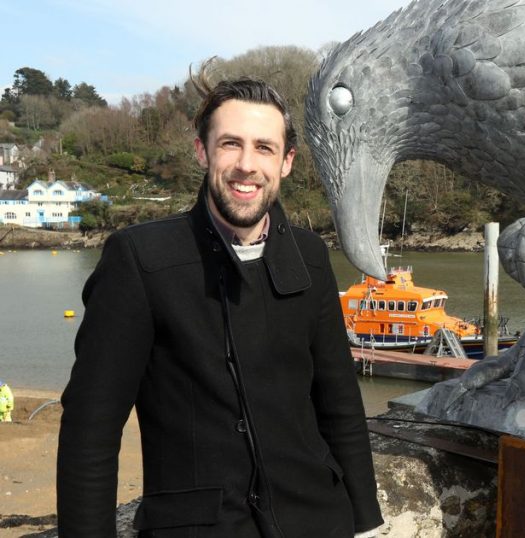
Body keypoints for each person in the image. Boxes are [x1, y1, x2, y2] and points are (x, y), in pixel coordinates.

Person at [57, 71, 384, 537]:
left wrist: (366, 522)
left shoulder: (310, 256)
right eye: (230, 143)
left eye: (264, 148)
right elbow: (92, 427)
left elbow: (341, 404)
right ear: (202, 150)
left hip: (317, 519)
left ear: (286, 161)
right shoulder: (140, 258)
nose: (246, 165)